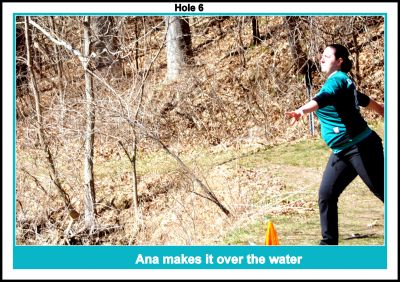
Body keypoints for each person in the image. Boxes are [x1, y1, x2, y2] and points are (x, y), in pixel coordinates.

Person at [286, 44, 384, 245]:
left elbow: (322, 99)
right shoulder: (343, 84)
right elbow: (362, 99)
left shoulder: (337, 80)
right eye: (321, 56)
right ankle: (328, 246)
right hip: (342, 151)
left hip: (361, 148)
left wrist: (303, 111)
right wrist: (381, 109)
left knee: (384, 191)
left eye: (327, 56)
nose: (321, 59)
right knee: (327, 194)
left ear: (339, 61)